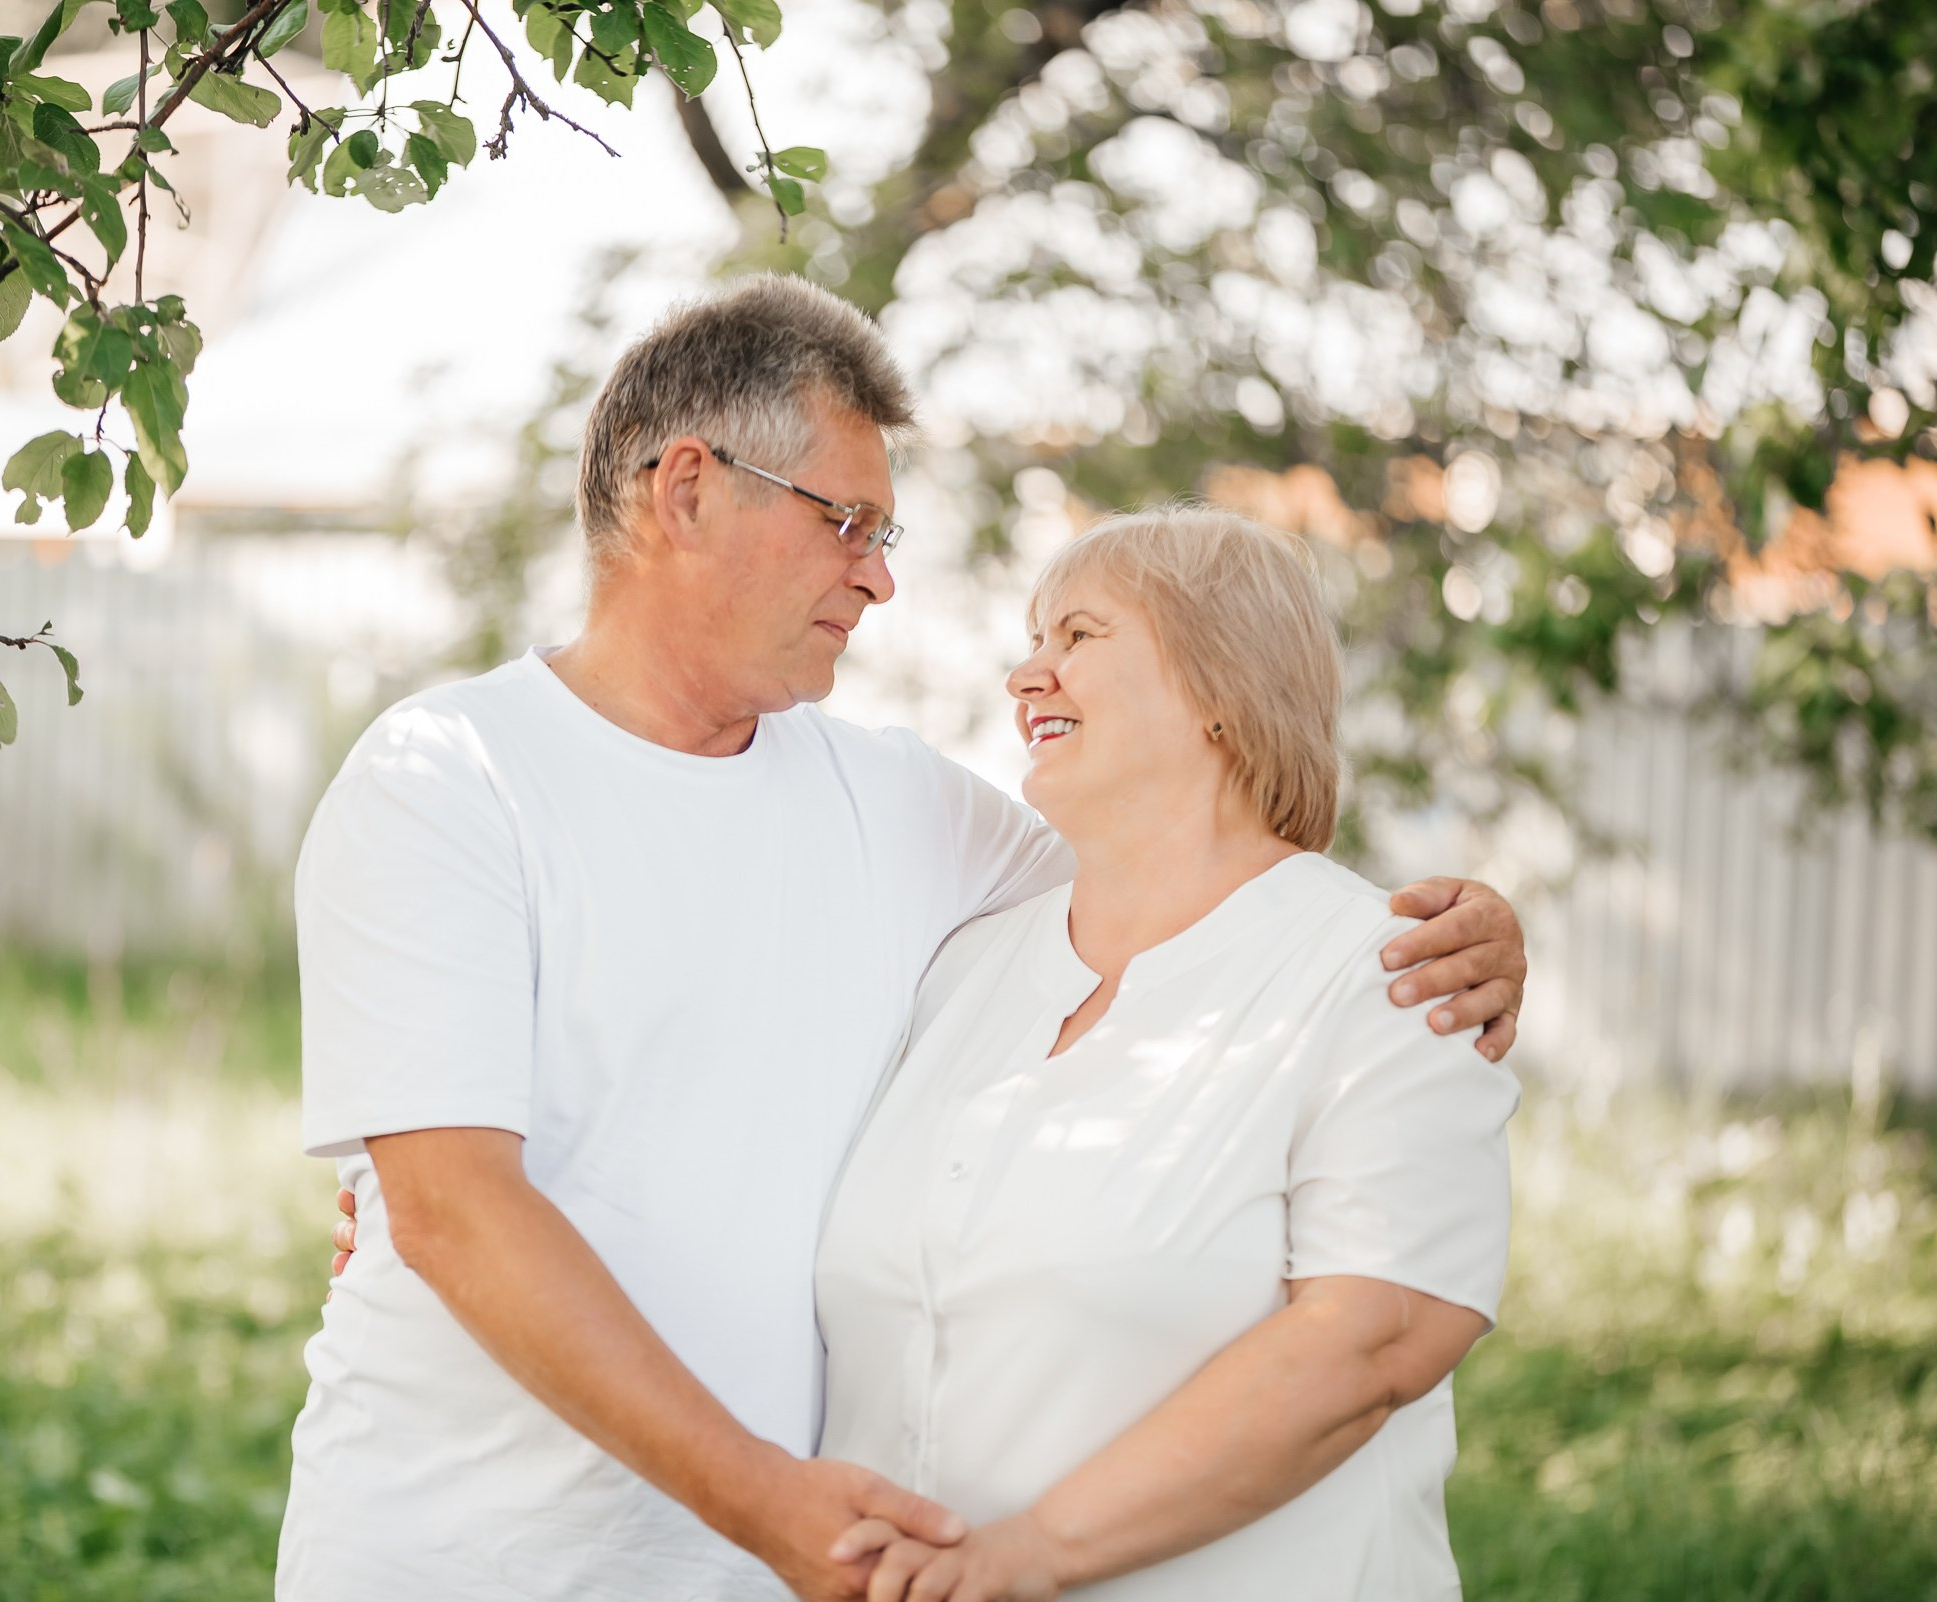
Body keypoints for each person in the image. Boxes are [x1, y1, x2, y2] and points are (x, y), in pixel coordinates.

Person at [279, 276, 1528, 1602]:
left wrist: (1470, 936)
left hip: (769, 1576)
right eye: (847, 522)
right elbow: (456, 1211)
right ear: (687, 491)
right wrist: (765, 1499)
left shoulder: (902, 808)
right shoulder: (452, 777)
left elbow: (1202, 880)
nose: (879, 576)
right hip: (462, 1554)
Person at [816, 506, 1519, 1602]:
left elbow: (1372, 1342)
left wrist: (1028, 1553)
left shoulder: (1390, 976)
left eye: (1078, 635)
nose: (1027, 676)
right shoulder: (965, 967)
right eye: (1033, 640)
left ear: (1220, 688)